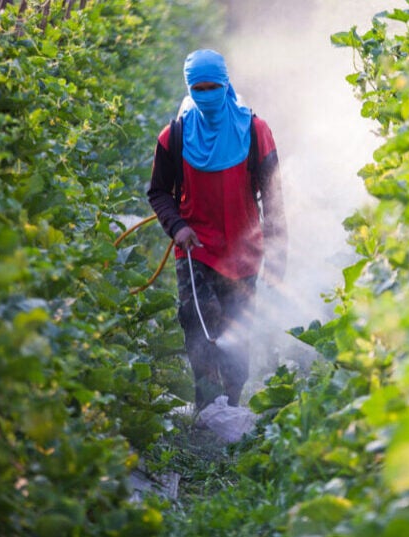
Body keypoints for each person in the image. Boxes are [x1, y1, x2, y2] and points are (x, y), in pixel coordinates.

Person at [148, 49, 287, 412]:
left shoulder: (256, 132)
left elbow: (273, 199)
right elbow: (158, 192)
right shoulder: (174, 137)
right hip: (195, 250)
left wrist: (277, 254)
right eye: (199, 88)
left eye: (213, 87)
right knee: (199, 323)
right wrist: (176, 227)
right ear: (189, 88)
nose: (206, 95)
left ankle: (232, 404)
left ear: (226, 84)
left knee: (236, 333)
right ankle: (207, 409)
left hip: (243, 254)